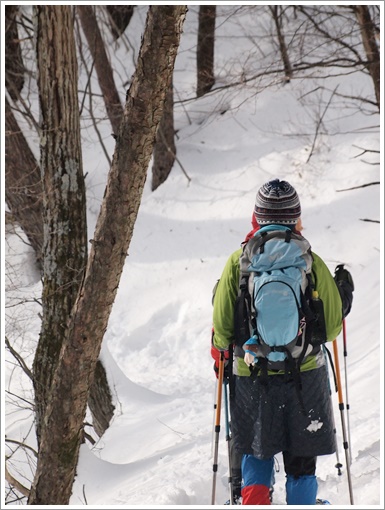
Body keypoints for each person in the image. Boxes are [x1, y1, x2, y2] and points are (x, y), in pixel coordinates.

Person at [211, 178, 354, 505]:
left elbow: (221, 329)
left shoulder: (239, 261)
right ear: (295, 217)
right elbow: (332, 328)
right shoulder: (310, 261)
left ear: (258, 217)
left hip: (252, 375)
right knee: (301, 457)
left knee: (255, 449)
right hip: (304, 374)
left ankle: (255, 500)